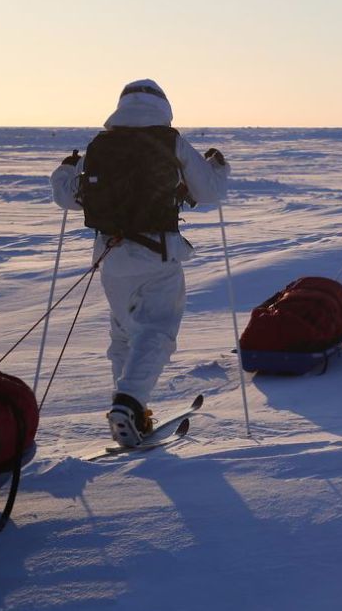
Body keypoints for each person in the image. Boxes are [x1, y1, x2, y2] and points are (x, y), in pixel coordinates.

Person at [50, 79, 229, 446]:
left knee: (125, 334)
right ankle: (129, 403)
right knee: (157, 331)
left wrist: (66, 169)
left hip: (109, 257)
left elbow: (67, 197)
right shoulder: (170, 141)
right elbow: (209, 192)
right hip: (156, 253)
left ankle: (132, 411)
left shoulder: (101, 145)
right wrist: (218, 168)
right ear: (163, 106)